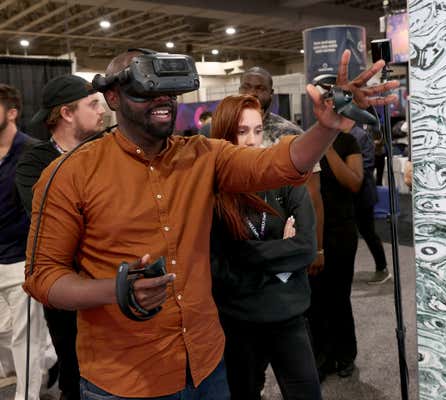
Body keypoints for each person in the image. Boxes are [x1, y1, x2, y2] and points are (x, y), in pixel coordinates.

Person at [22, 49, 398, 399]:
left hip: (205, 368)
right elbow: (43, 276)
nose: (162, 101)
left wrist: (327, 127)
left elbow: (279, 163)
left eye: (169, 92)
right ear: (114, 98)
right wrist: (115, 290)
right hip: (125, 378)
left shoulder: (202, 156)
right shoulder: (69, 175)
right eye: (146, 90)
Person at [209, 95, 321, 400]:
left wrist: (244, 255)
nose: (251, 141)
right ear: (223, 134)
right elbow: (219, 270)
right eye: (242, 131)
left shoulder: (284, 178)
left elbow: (306, 247)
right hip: (238, 322)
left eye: (257, 131)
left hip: (288, 315)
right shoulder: (212, 192)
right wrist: (280, 253)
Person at [15, 75, 106, 400]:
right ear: (67, 113)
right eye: (93, 104)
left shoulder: (109, 149)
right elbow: (56, 223)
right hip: (68, 288)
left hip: (112, 282)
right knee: (75, 371)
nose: (102, 111)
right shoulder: (34, 163)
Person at [239, 66, 324, 275]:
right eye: (247, 87)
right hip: (236, 244)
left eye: (260, 88)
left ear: (271, 94)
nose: (252, 93)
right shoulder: (221, 131)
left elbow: (313, 195)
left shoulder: (290, 133)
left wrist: (318, 248)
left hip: (281, 242)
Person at [0, 83, 48, 400]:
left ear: (12, 112)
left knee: (26, 338)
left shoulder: (32, 152)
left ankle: (27, 396)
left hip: (22, 259)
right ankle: (52, 359)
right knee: (6, 331)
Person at [309, 123, 364, 380]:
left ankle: (345, 355)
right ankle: (321, 358)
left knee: (339, 296)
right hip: (313, 231)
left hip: (341, 230)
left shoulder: (347, 142)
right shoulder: (307, 139)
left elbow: (354, 182)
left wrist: (328, 148)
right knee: (315, 300)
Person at [349, 122, 391, 284]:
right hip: (349, 195)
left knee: (368, 232)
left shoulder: (360, 135)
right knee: (350, 235)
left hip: (363, 195)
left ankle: (382, 268)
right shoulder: (339, 134)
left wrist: (347, 173)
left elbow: (367, 164)